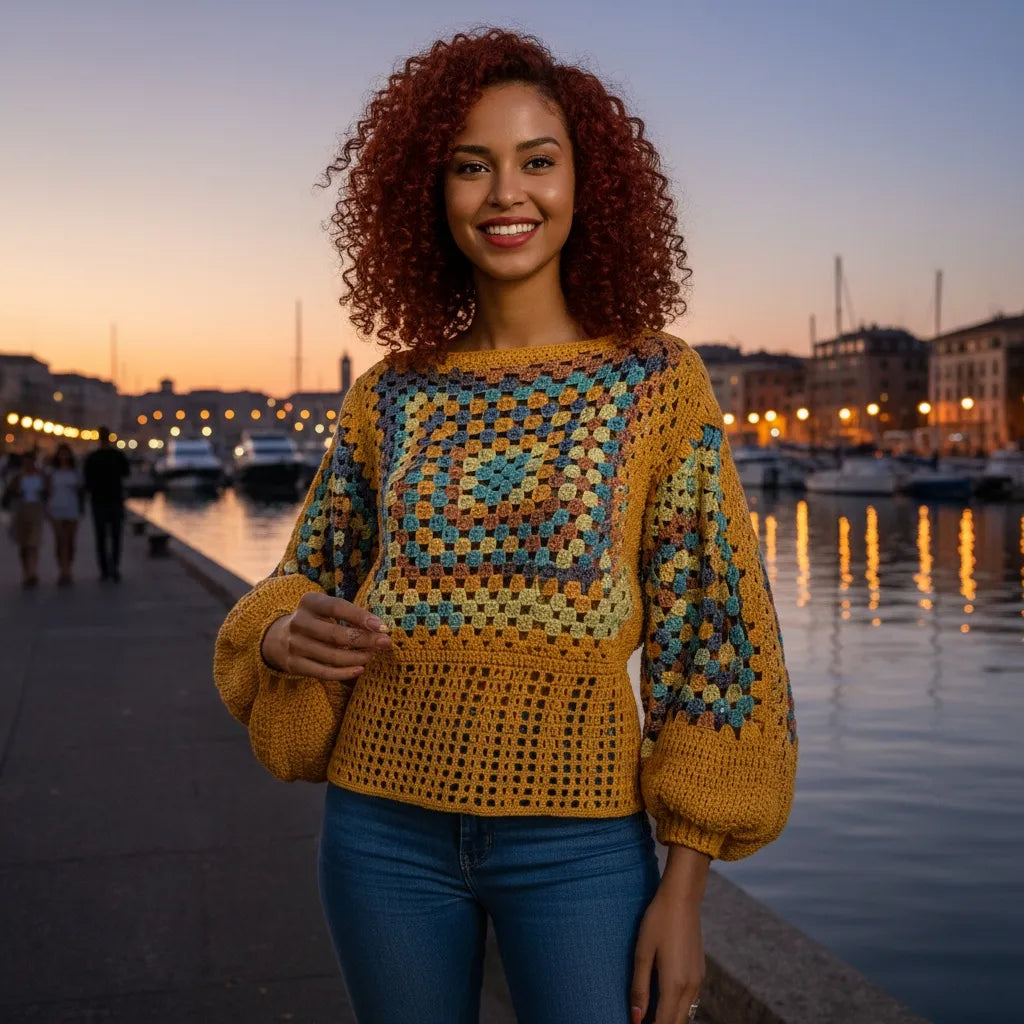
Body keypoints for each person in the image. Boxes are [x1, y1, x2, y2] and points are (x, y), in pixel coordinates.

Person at [213, 29, 797, 1024]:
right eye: (469, 166)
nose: (504, 195)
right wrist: (275, 627)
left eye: (537, 160)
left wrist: (685, 887)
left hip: (579, 842)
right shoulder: (388, 396)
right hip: (379, 829)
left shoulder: (654, 382)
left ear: (587, 182)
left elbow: (713, 642)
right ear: (428, 194)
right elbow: (304, 575)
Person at [83, 427, 129, 581]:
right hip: (115, 500)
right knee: (116, 536)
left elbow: (87, 480)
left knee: (101, 537)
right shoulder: (117, 455)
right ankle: (114, 567)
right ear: (110, 437)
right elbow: (126, 472)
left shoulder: (92, 457)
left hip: (98, 501)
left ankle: (103, 570)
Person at [3, 450, 50, 587]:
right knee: (23, 544)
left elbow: (47, 492)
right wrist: (16, 491)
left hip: (36, 510)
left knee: (33, 543)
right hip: (21, 510)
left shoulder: (41, 476)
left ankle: (32, 572)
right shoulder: (17, 477)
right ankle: (25, 571)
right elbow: (8, 494)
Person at [47, 442, 85, 585]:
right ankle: (62, 570)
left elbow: (81, 489)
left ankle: (68, 566)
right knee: (59, 540)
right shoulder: (52, 472)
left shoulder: (75, 472)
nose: (64, 456)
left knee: (70, 541)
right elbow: (49, 490)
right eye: (61, 454)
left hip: (71, 508)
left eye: (66, 454)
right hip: (56, 508)